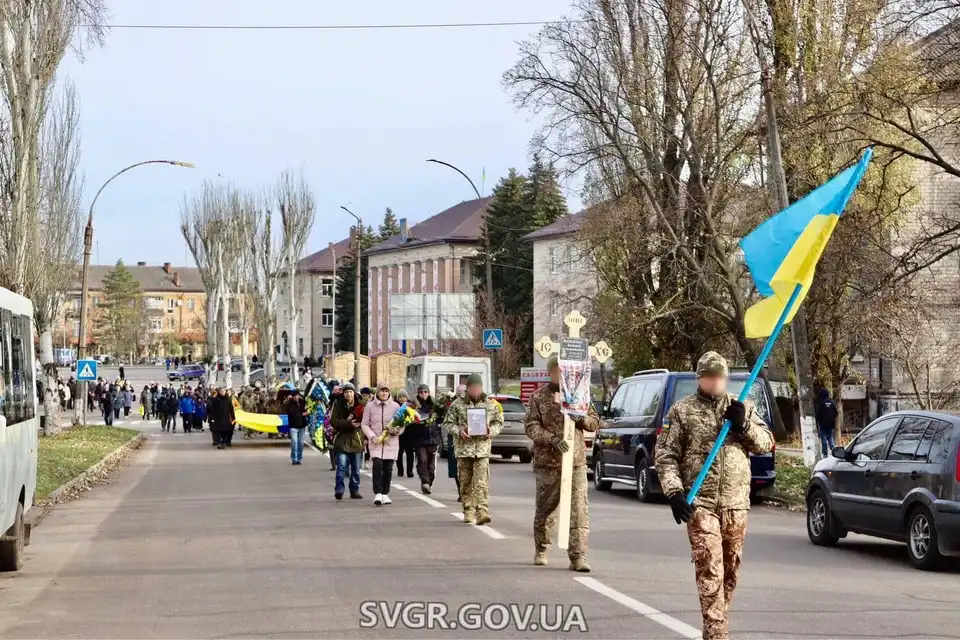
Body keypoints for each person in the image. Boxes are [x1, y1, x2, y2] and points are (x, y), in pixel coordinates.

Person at [654, 351, 774, 640]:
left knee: (729, 573)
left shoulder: (742, 406)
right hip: (701, 504)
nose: (715, 382)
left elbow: (766, 443)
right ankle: (718, 634)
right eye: (709, 377)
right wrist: (674, 493)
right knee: (710, 570)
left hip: (736, 504)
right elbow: (666, 455)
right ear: (700, 378)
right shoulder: (682, 411)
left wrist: (743, 425)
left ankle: (713, 625)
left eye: (720, 377)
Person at [525, 355, 600, 573]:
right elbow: (530, 425)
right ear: (550, 373)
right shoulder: (538, 397)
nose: (562, 375)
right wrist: (551, 439)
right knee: (546, 509)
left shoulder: (579, 394)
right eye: (558, 371)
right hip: (548, 464)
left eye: (565, 371)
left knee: (579, 510)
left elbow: (594, 421)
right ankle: (542, 548)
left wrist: (580, 418)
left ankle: (578, 556)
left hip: (575, 462)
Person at [443, 373, 503, 525]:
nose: (476, 390)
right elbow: (447, 424)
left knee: (481, 481)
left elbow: (498, 422)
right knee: (465, 481)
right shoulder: (457, 404)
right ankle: (468, 509)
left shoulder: (490, 404)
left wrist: (492, 431)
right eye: (473, 387)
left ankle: (482, 511)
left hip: (482, 450)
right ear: (468, 388)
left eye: (478, 387)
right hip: (464, 450)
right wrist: (460, 431)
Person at [361, 382, 402, 505]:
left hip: (391, 442)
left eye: (386, 391)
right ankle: (378, 493)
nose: (384, 393)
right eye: (382, 391)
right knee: (377, 466)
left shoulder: (395, 406)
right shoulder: (369, 406)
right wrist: (372, 436)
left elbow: (401, 424)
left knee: (388, 468)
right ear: (377, 392)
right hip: (376, 442)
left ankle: (385, 493)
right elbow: (364, 424)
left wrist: (396, 430)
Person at [331, 383, 365, 500]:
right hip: (342, 440)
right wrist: (348, 424)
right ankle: (339, 490)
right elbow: (334, 421)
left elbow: (365, 420)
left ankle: (354, 490)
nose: (348, 394)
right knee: (341, 467)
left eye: (350, 392)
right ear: (343, 393)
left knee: (355, 468)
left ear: (354, 393)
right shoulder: (338, 404)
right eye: (346, 392)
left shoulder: (360, 405)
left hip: (356, 439)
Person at [413, 384, 440, 494]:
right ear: (418, 393)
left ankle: (429, 482)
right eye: (421, 392)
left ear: (428, 393)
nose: (423, 394)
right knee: (422, 460)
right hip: (420, 438)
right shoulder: (414, 406)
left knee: (431, 465)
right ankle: (425, 482)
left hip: (432, 438)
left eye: (425, 392)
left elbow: (440, 418)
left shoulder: (435, 405)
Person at [395, 389, 416, 478]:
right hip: (399, 433)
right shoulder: (395, 407)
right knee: (398, 453)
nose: (402, 399)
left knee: (410, 453)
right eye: (400, 397)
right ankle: (400, 470)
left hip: (410, 433)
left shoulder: (411, 406)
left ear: (407, 398)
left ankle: (409, 471)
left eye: (404, 397)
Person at [285, 388, 308, 465]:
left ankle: (299, 458)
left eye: (297, 395)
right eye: (294, 396)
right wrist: (302, 414)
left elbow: (307, 400)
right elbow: (292, 414)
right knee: (294, 442)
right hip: (293, 426)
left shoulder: (302, 402)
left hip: (302, 425)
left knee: (301, 443)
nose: (295, 397)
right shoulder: (289, 404)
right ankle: (294, 459)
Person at [815, 388, 838, 457]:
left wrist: (819, 421)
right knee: (830, 436)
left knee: (823, 438)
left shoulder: (821, 403)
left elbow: (818, 414)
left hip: (822, 424)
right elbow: (836, 413)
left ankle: (825, 453)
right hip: (830, 424)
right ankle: (833, 448)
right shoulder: (832, 402)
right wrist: (832, 420)